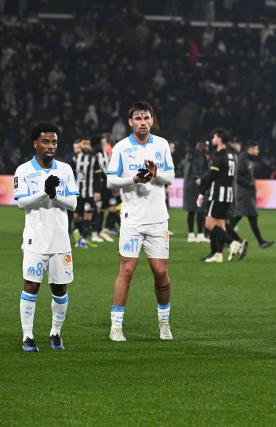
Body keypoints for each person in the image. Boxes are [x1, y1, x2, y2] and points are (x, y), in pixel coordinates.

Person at [105, 101, 176, 342]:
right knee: (126, 269)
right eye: (138, 118)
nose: (143, 123)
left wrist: (156, 174)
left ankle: (164, 323)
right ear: (130, 122)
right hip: (132, 220)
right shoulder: (122, 148)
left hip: (158, 220)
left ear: (151, 120)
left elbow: (171, 177)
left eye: (146, 118)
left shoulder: (162, 144)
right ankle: (116, 326)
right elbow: (110, 181)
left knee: (160, 272)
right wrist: (133, 179)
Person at [14, 123, 79, 352]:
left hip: (60, 239)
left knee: (60, 289)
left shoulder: (65, 169)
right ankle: (28, 336)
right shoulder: (23, 171)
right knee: (31, 286)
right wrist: (44, 192)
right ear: (36, 143)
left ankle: (55, 333)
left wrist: (54, 195)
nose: (51, 146)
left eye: (54, 142)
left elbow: (73, 203)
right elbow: (21, 202)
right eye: (46, 141)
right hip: (35, 239)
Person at [196, 128, 247, 263]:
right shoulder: (232, 155)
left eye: (214, 137)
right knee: (220, 224)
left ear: (219, 139)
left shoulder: (219, 155)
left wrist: (201, 189)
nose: (212, 139)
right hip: (228, 193)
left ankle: (232, 243)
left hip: (218, 193)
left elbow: (212, 175)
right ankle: (217, 254)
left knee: (208, 222)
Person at [229, 141, 274, 248]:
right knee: (241, 217)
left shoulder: (247, 159)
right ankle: (225, 238)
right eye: (256, 148)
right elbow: (237, 176)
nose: (258, 151)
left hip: (248, 194)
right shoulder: (243, 159)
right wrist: (248, 183)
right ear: (250, 149)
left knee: (248, 218)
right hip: (244, 194)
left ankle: (261, 242)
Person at [71, 137, 103, 247]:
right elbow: (71, 175)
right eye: (84, 144)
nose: (86, 146)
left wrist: (97, 191)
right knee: (76, 217)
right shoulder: (75, 158)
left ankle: (83, 239)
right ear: (81, 145)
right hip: (78, 193)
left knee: (87, 215)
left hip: (90, 192)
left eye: (88, 144)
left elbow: (98, 176)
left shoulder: (94, 158)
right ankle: (80, 234)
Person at [183, 140, 208, 243]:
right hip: (196, 187)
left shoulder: (189, 155)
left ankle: (191, 235)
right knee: (201, 211)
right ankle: (200, 235)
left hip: (188, 186)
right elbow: (197, 171)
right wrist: (200, 180)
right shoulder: (199, 156)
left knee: (192, 211)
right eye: (206, 145)